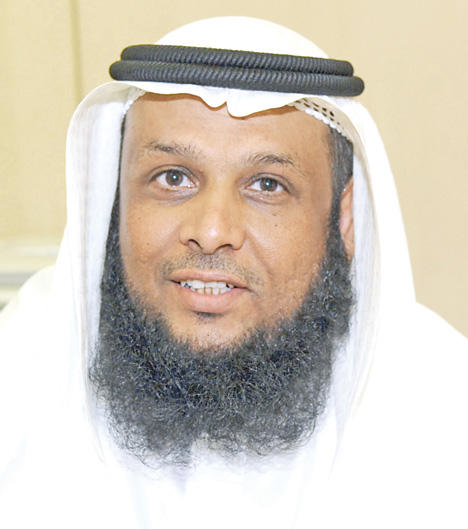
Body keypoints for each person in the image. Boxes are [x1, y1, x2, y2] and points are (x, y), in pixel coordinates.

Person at [1, 16, 467, 529]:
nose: (211, 230)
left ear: (345, 220)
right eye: (173, 177)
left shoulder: (446, 413)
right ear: (115, 206)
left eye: (267, 185)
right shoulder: (18, 375)